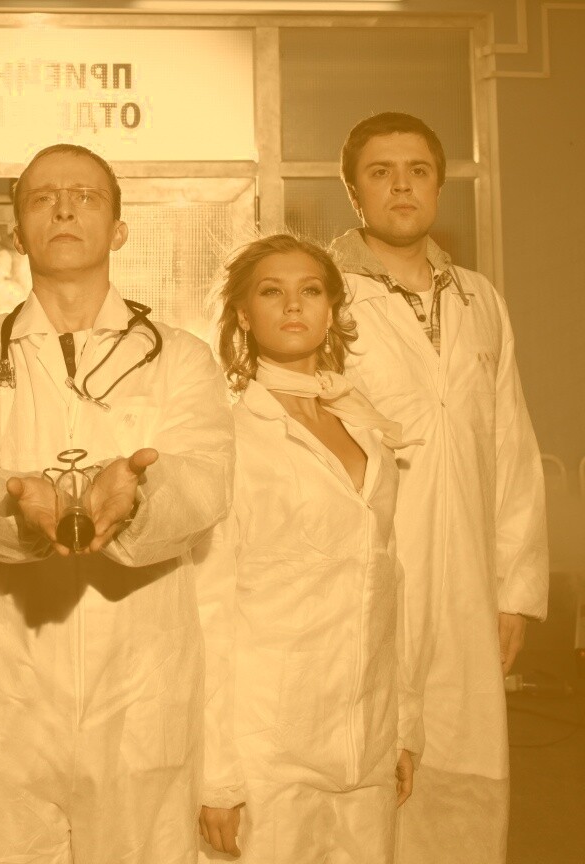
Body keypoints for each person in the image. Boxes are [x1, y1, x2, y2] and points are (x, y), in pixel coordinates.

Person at [0, 143, 235, 864]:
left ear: (119, 230)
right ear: (18, 232)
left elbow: (206, 483)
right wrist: (17, 509)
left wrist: (138, 500)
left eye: (85, 196)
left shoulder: (181, 358)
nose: (63, 208)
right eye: (43, 198)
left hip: (140, 687)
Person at [327, 112, 548, 864]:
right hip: (365, 572)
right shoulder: (323, 297)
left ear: (439, 187)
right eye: (381, 172)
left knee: (462, 760)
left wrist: (515, 589)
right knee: (364, 765)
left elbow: (511, 445)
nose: (402, 187)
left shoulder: (480, 299)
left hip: (467, 578)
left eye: (417, 171)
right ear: (354, 191)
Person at [195, 234, 423, 863]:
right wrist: (216, 773)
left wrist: (402, 724)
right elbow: (208, 608)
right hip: (268, 746)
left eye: (311, 290)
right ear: (244, 316)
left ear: (331, 310)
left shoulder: (367, 431)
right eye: (272, 292)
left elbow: (390, 587)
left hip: (365, 742)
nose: (294, 305)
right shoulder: (231, 437)